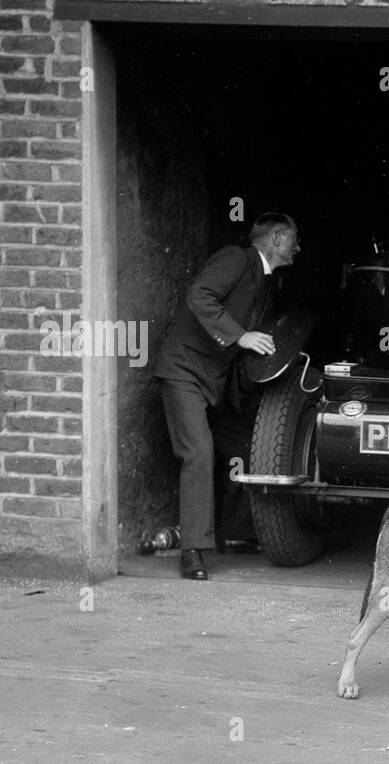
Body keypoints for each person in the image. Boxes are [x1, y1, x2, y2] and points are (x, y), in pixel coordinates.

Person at [152, 213, 300, 579]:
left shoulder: (266, 280)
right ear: (278, 238)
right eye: (295, 238)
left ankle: (234, 534)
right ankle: (193, 552)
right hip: (184, 371)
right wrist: (240, 336)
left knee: (244, 445)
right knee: (199, 452)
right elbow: (199, 295)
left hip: (213, 382)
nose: (299, 247)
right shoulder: (236, 258)